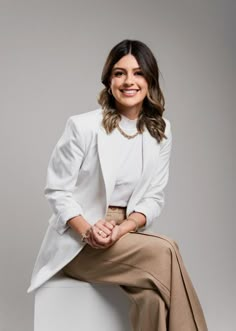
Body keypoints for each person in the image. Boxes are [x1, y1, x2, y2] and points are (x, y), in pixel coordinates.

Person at [27, 39, 208, 331]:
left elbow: (153, 198)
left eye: (137, 73)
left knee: (154, 300)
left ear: (150, 79)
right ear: (108, 80)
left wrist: (122, 228)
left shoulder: (161, 131)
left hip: (126, 235)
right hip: (79, 244)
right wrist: (89, 230)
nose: (128, 81)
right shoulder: (83, 126)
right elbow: (57, 191)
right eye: (119, 73)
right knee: (167, 248)